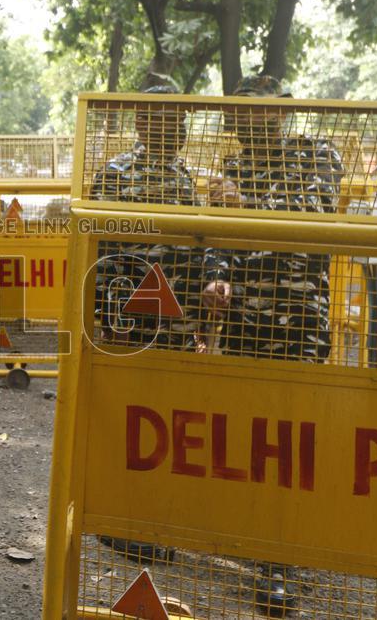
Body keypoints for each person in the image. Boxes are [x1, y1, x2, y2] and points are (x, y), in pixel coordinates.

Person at [203, 74, 344, 616]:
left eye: (260, 110)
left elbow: (314, 219)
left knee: (292, 438)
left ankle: (279, 562)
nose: (250, 120)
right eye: (241, 112)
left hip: (297, 324)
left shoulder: (317, 154)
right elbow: (220, 237)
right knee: (248, 435)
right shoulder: (231, 167)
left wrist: (247, 204)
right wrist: (219, 277)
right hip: (245, 323)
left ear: (283, 113)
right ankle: (252, 541)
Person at [89, 76, 228, 561]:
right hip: (132, 320)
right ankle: (115, 519)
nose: (176, 128)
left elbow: (201, 242)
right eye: (165, 119)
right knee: (125, 418)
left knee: (164, 420)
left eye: (180, 120)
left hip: (177, 321)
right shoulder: (114, 174)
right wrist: (108, 321)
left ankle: (154, 517)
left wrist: (210, 285)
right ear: (143, 122)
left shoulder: (189, 179)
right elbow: (101, 255)